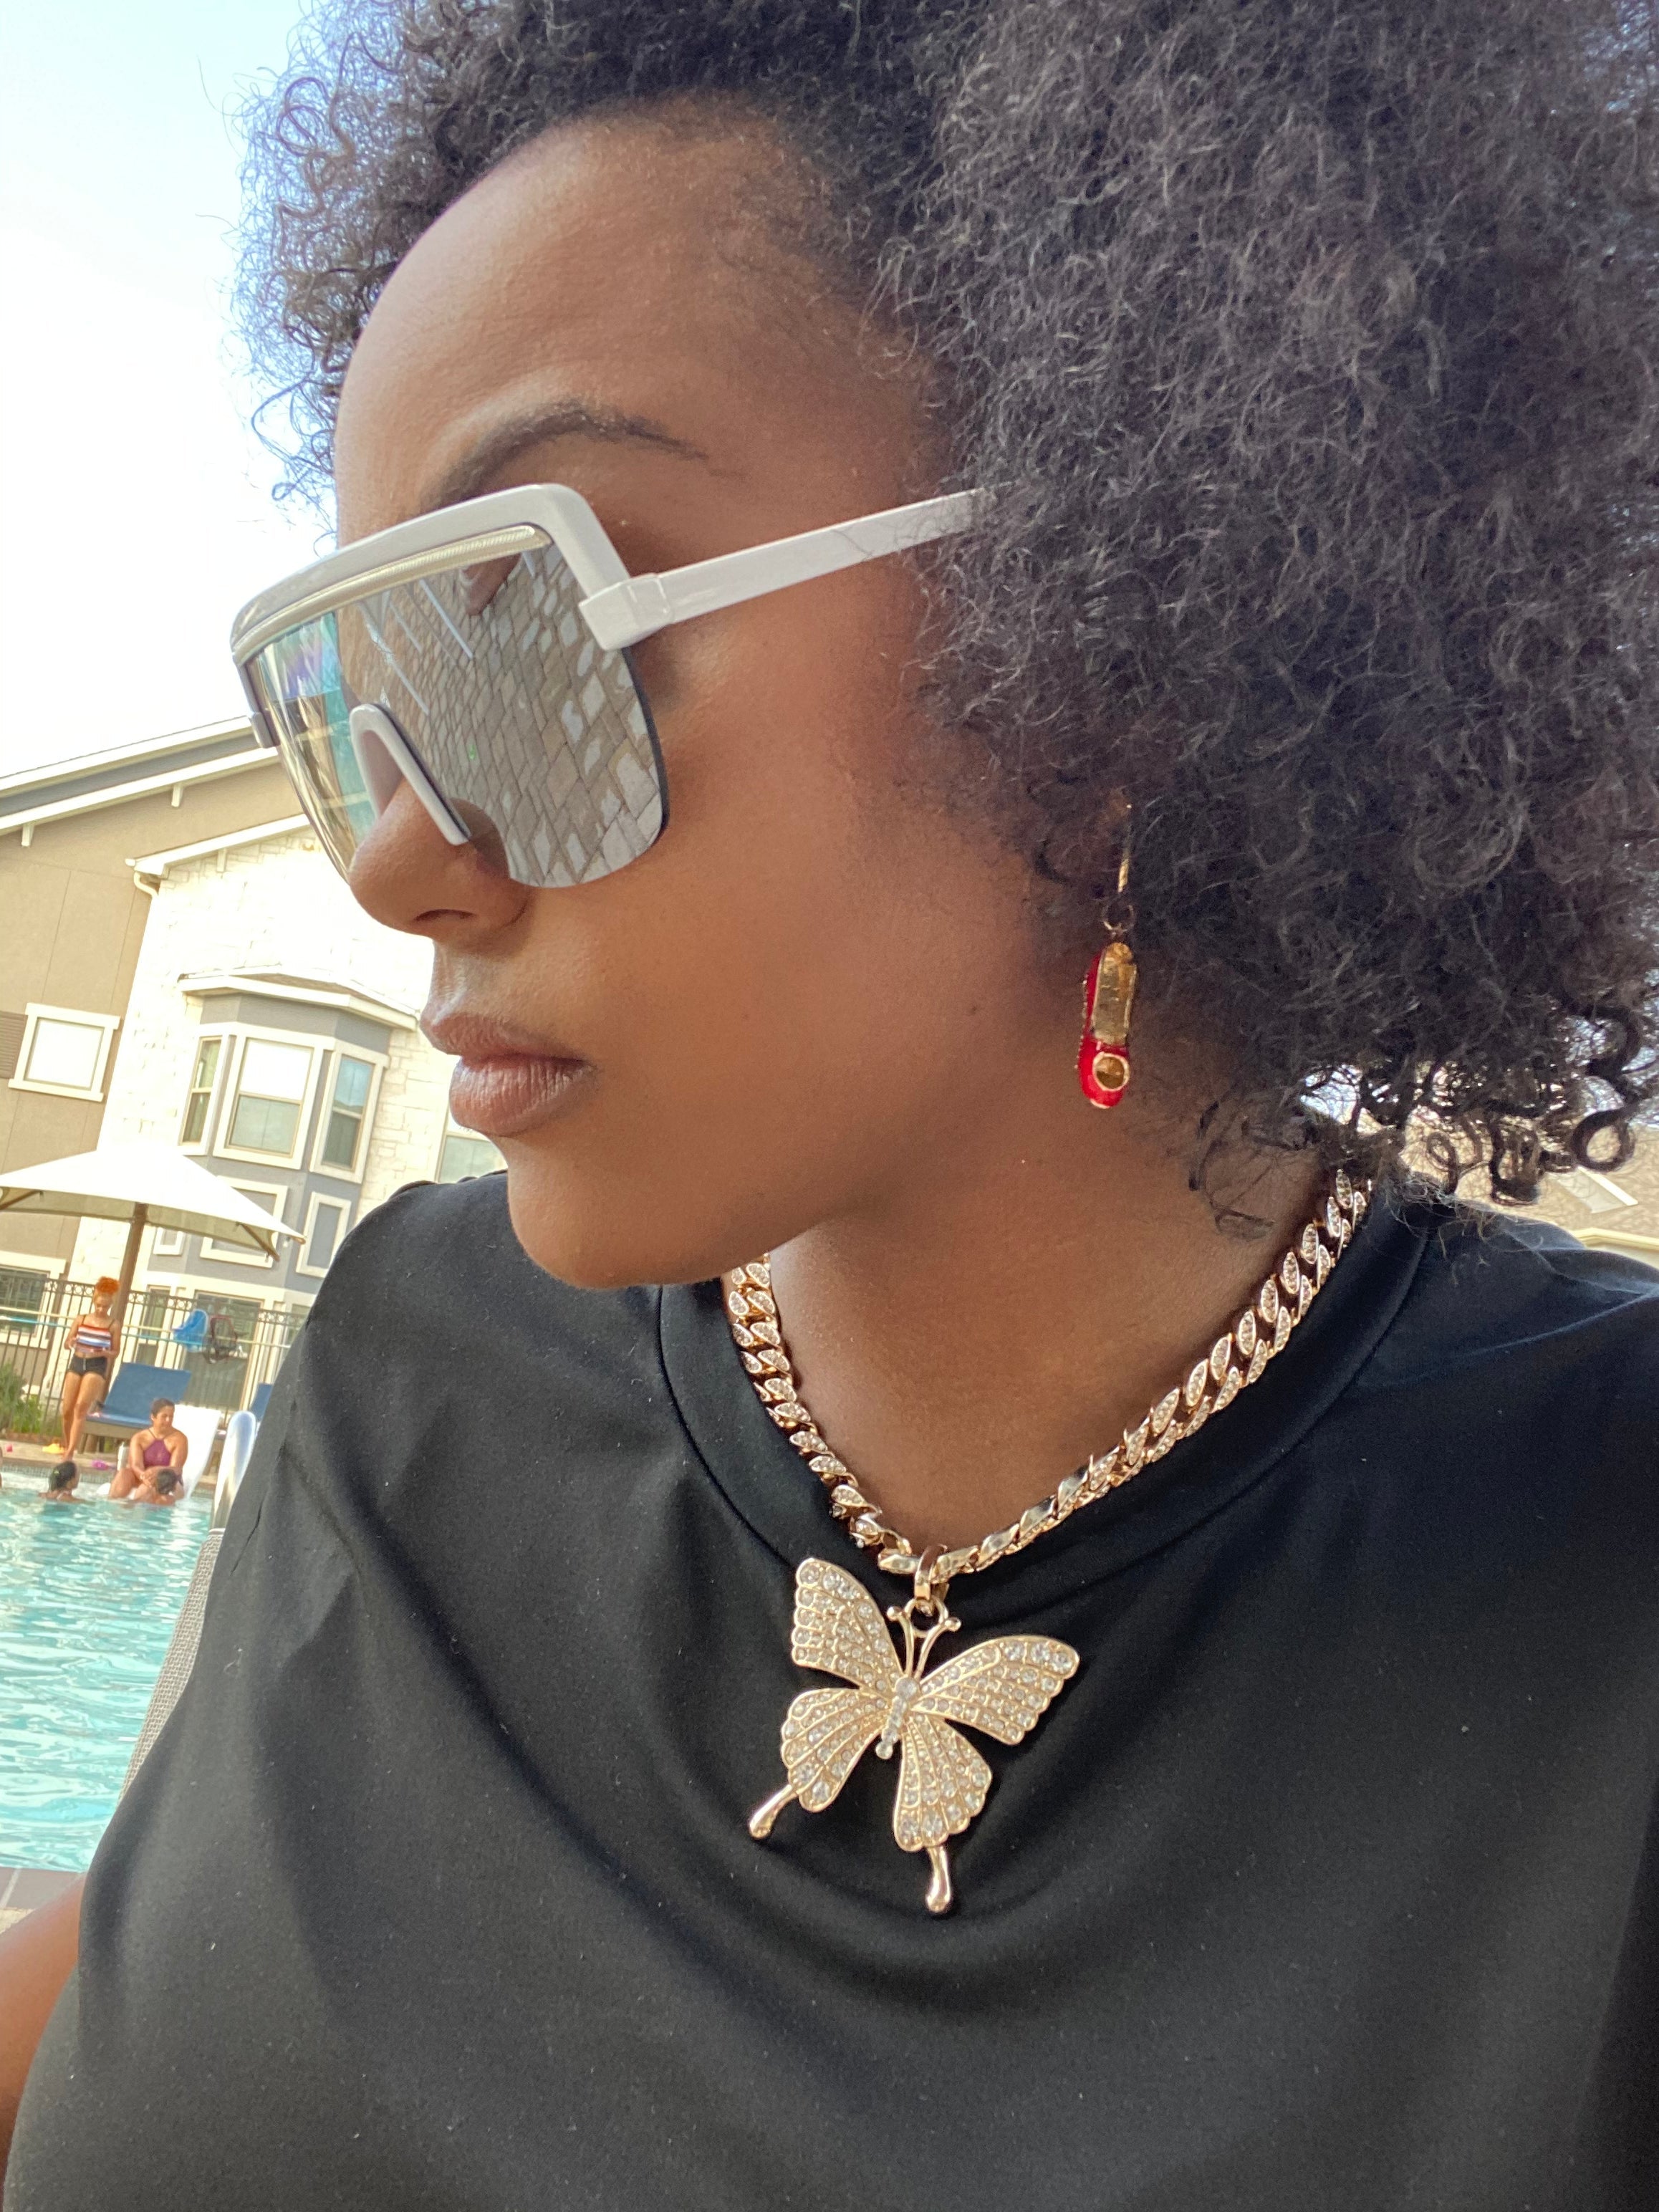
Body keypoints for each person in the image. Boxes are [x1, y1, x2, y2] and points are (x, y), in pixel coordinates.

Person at [4, 2, 1658, 2206]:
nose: (393, 856)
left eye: (521, 636)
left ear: (1117, 638)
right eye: (349, 694)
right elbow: (116, 1982)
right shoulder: (406, 1361)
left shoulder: (1602, 1566)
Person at [54, 1278, 119, 1467]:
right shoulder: (81, 1319)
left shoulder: (113, 1325)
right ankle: (68, 1445)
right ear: (94, 1302)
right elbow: (67, 1343)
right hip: (77, 1361)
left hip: (96, 1364)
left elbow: (115, 1352)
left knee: (81, 1407)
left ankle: (70, 1452)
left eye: (105, 1307)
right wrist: (71, 1342)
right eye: (99, 1306)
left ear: (110, 1305)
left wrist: (105, 1352)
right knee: (67, 1410)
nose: (101, 1310)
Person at [107, 1402, 187, 1504]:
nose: (168, 1420)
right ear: (153, 1417)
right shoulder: (139, 1438)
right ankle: (110, 1505)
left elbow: (176, 1469)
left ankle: (136, 1508)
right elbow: (135, 1465)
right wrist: (144, 1477)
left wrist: (156, 1471)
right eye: (164, 1416)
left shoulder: (180, 1439)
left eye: (171, 1416)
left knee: (146, 1488)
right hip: (143, 1476)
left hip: (167, 1479)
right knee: (123, 1473)